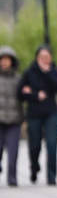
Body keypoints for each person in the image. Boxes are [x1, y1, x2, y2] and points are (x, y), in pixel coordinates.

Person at [19, 45, 57, 185]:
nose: (44, 60)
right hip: (34, 113)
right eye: (41, 57)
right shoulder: (29, 72)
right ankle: (34, 167)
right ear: (37, 58)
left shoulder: (54, 71)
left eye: (47, 57)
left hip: (52, 113)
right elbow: (21, 93)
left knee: (52, 144)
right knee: (34, 144)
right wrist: (35, 95)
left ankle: (51, 176)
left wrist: (47, 73)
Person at [0, 46, 21, 187]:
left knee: (13, 152)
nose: (5, 62)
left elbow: (24, 97)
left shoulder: (19, 79)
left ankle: (12, 178)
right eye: (2, 60)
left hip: (14, 120)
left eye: (7, 60)